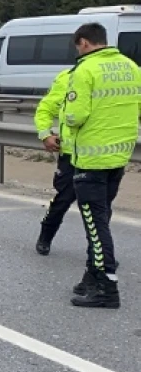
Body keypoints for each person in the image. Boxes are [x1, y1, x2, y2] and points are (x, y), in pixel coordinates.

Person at [62, 22, 141, 308]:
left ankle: (107, 287)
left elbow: (75, 115)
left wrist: (67, 120)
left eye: (77, 47)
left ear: (83, 43)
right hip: (119, 156)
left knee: (96, 226)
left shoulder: (85, 70)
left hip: (91, 159)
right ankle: (92, 277)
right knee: (100, 220)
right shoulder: (132, 67)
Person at [34, 67, 76, 256]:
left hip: (104, 157)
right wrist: (45, 134)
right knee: (64, 199)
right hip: (72, 154)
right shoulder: (69, 77)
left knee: (100, 208)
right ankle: (46, 236)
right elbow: (45, 109)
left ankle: (101, 256)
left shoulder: (116, 76)